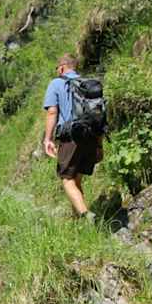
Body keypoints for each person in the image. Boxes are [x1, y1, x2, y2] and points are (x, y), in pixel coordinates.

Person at [43, 54, 103, 219]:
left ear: (62, 68)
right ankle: (79, 221)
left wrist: (47, 139)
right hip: (91, 136)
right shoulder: (88, 85)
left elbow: (52, 111)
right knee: (76, 180)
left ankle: (85, 215)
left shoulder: (56, 83)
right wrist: (99, 145)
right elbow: (99, 116)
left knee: (67, 180)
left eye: (57, 69)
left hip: (71, 137)